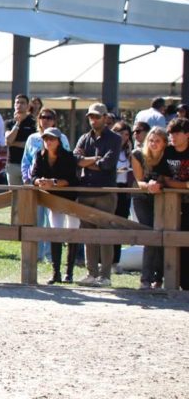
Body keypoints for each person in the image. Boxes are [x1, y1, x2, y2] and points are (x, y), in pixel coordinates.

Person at [72, 103, 123, 287]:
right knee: (88, 233)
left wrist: (88, 161)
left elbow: (107, 164)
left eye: (97, 116)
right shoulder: (84, 138)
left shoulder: (115, 139)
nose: (93, 120)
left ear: (105, 118)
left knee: (105, 233)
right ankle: (91, 273)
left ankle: (105, 276)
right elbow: (75, 160)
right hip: (85, 191)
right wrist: (94, 160)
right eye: (91, 117)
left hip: (105, 192)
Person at [29, 127, 81, 284]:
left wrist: (55, 183)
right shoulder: (40, 155)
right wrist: (40, 181)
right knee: (55, 234)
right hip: (53, 201)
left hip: (70, 200)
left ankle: (69, 272)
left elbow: (72, 180)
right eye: (46, 139)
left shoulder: (68, 157)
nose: (48, 142)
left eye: (51, 139)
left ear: (58, 141)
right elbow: (34, 176)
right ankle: (56, 272)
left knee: (72, 234)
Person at [21, 108, 69, 260]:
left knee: (52, 221)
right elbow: (26, 161)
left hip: (54, 186)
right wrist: (27, 180)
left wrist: (57, 182)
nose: (45, 120)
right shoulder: (32, 138)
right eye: (42, 117)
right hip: (36, 184)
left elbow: (67, 159)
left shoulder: (63, 138)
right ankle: (37, 254)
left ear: (54, 120)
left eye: (49, 117)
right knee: (36, 219)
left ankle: (50, 255)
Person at [130, 126, 168, 289]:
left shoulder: (168, 155)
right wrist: (149, 185)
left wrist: (158, 184)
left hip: (164, 199)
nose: (153, 143)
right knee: (150, 234)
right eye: (151, 140)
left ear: (164, 143)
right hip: (142, 198)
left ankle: (159, 278)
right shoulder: (138, 154)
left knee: (162, 235)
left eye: (157, 141)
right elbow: (138, 181)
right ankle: (145, 279)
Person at [159, 118, 189, 291]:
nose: (172, 137)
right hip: (173, 206)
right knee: (174, 243)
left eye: (176, 133)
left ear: (187, 135)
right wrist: (185, 185)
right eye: (170, 133)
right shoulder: (168, 152)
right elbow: (165, 179)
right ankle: (177, 282)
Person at [109, 121, 135, 269]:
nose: (124, 137)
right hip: (111, 188)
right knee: (108, 223)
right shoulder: (110, 149)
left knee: (120, 224)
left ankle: (115, 261)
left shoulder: (130, 151)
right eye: (120, 133)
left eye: (126, 134)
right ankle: (104, 259)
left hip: (125, 189)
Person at [4, 94, 36, 187]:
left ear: (27, 106)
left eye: (22, 103)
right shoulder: (9, 123)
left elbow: (31, 145)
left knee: (28, 195)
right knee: (14, 195)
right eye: (17, 102)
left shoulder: (33, 123)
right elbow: (8, 141)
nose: (19, 105)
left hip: (29, 165)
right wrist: (17, 123)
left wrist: (14, 143)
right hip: (12, 164)